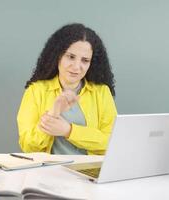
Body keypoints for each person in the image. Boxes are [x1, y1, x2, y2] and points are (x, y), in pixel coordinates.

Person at [17, 23, 117, 155]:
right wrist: (53, 113)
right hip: (48, 172)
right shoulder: (35, 91)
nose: (76, 67)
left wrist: (69, 131)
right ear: (57, 56)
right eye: (71, 57)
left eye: (85, 60)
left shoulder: (102, 92)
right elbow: (28, 147)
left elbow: (111, 142)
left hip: (90, 172)